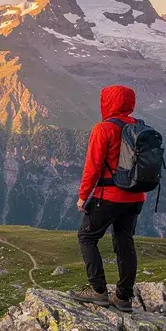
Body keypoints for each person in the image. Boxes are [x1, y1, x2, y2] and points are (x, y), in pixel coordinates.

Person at [68, 85, 146, 313]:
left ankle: (98, 291)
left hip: (109, 196)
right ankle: (123, 297)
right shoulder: (139, 127)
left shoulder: (104, 129)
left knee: (86, 237)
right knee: (124, 242)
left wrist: (83, 196)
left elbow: (92, 167)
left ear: (108, 102)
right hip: (136, 197)